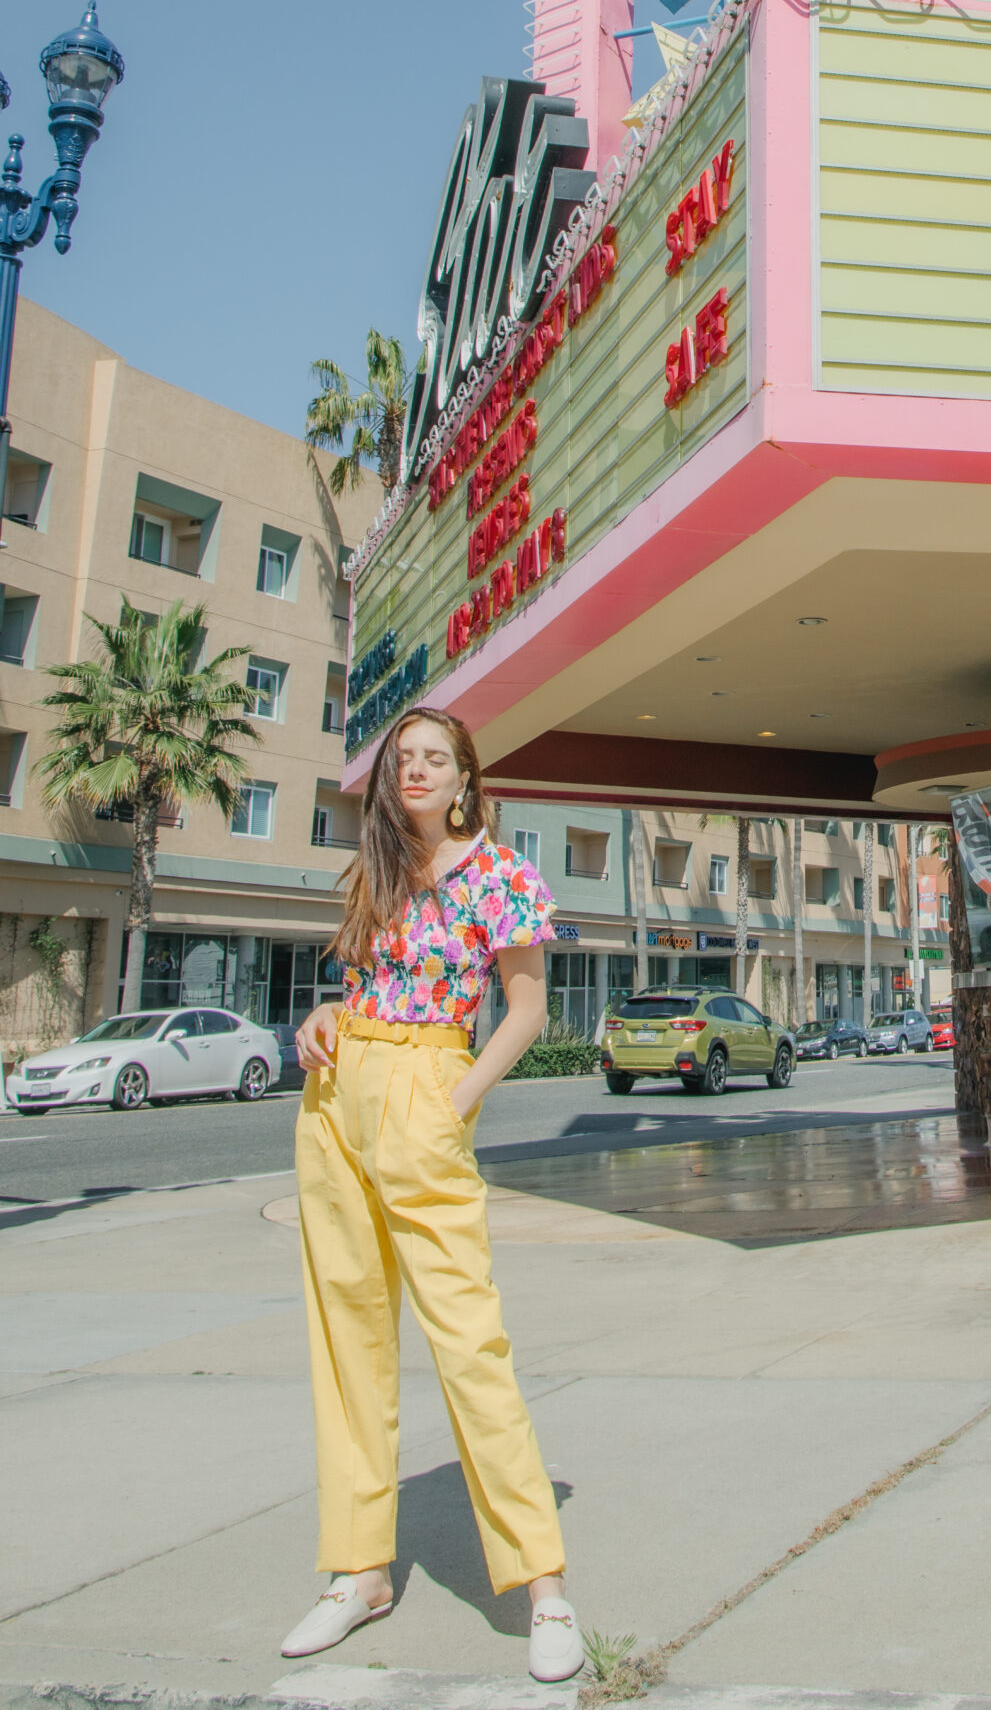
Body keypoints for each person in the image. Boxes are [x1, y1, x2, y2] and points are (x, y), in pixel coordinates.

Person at [280, 707, 583, 1683]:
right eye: (401, 758)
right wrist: (325, 1016)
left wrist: (452, 1100)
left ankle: (543, 1585)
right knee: (348, 1335)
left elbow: (526, 1011)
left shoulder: (500, 874)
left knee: (469, 1340)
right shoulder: (379, 870)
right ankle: (360, 1569)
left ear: (464, 779)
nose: (414, 770)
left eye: (433, 758)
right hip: (337, 1098)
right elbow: (370, 986)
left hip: (424, 1093)